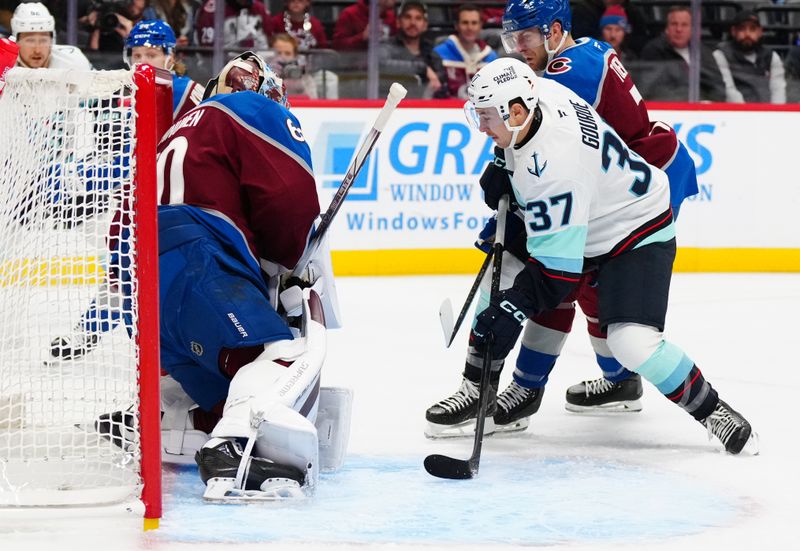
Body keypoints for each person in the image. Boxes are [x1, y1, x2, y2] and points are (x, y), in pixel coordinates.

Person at [425, 0, 699, 438]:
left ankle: (526, 388)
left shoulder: (562, 74)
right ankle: (616, 379)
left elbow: (538, 147)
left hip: (633, 191)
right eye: (511, 38)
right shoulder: (583, 50)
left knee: (565, 276)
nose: (517, 48)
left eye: (526, 37)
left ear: (554, 31)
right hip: (627, 177)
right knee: (575, 278)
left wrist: (511, 200)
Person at [463, 56, 757, 455]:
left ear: (515, 111)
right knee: (508, 269)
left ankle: (714, 411)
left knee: (632, 342)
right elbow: (525, 151)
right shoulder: (540, 94)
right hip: (594, 214)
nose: (481, 128)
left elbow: (556, 276)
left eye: (486, 118)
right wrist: (503, 162)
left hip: (637, 228)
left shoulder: (557, 171)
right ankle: (476, 390)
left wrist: (510, 309)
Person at [154, 51, 343, 497]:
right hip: (198, 263)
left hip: (143, 285)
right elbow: (288, 196)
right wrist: (291, 261)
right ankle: (230, 446)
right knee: (286, 353)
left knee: (235, 379)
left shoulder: (176, 132)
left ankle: (190, 421)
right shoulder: (250, 107)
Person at [49, 19, 206, 364]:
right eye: (136, 54)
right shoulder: (117, 94)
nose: (143, 62)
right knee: (122, 268)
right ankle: (91, 331)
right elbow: (113, 152)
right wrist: (89, 175)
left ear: (170, 56)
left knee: (173, 280)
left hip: (178, 202)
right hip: (133, 202)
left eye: (151, 53)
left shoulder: (191, 92)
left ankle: (178, 352)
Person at [638, 6, 726, 102]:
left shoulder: (703, 51)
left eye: (684, 25)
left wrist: (709, 103)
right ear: (667, 28)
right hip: (668, 110)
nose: (679, 29)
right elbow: (653, 89)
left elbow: (718, 87)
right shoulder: (653, 50)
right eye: (674, 24)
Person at [712, 10, 786, 104]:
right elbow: (729, 90)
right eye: (742, 29)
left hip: (768, 114)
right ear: (733, 31)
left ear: (760, 32)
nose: (747, 34)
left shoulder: (772, 57)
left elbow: (778, 91)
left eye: (752, 29)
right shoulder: (720, 55)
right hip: (735, 114)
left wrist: (775, 115)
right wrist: (747, 114)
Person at [379, 1, 446, 99]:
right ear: (398, 22)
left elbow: (441, 79)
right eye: (407, 17)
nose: (413, 23)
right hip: (391, 106)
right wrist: (423, 68)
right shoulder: (387, 46)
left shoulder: (431, 52)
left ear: (425, 25)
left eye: (418, 18)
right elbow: (381, 64)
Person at [433, 4, 497, 99]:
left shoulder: (490, 56)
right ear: (456, 25)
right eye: (465, 23)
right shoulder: (439, 54)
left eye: (474, 23)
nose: (470, 28)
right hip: (446, 110)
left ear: (480, 26)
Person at [11, 2, 91, 70]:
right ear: (16, 41)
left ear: (52, 40)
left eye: (43, 40)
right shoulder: (3, 67)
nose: (37, 50)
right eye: (30, 40)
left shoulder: (74, 63)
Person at [195, 0, 271, 52]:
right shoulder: (213, 9)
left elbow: (269, 42)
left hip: (255, 65)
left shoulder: (259, 8)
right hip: (222, 68)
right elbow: (206, 50)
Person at [332, 0, 396, 51]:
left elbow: (398, 46)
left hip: (386, 64)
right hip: (354, 65)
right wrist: (363, 37)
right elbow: (337, 47)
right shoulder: (349, 14)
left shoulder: (391, 16)